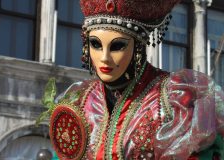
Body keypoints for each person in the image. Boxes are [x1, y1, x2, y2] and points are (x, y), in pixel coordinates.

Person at [42, 0, 224, 159]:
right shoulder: (81, 101)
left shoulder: (175, 101)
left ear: (137, 47)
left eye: (117, 46)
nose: (104, 57)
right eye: (95, 44)